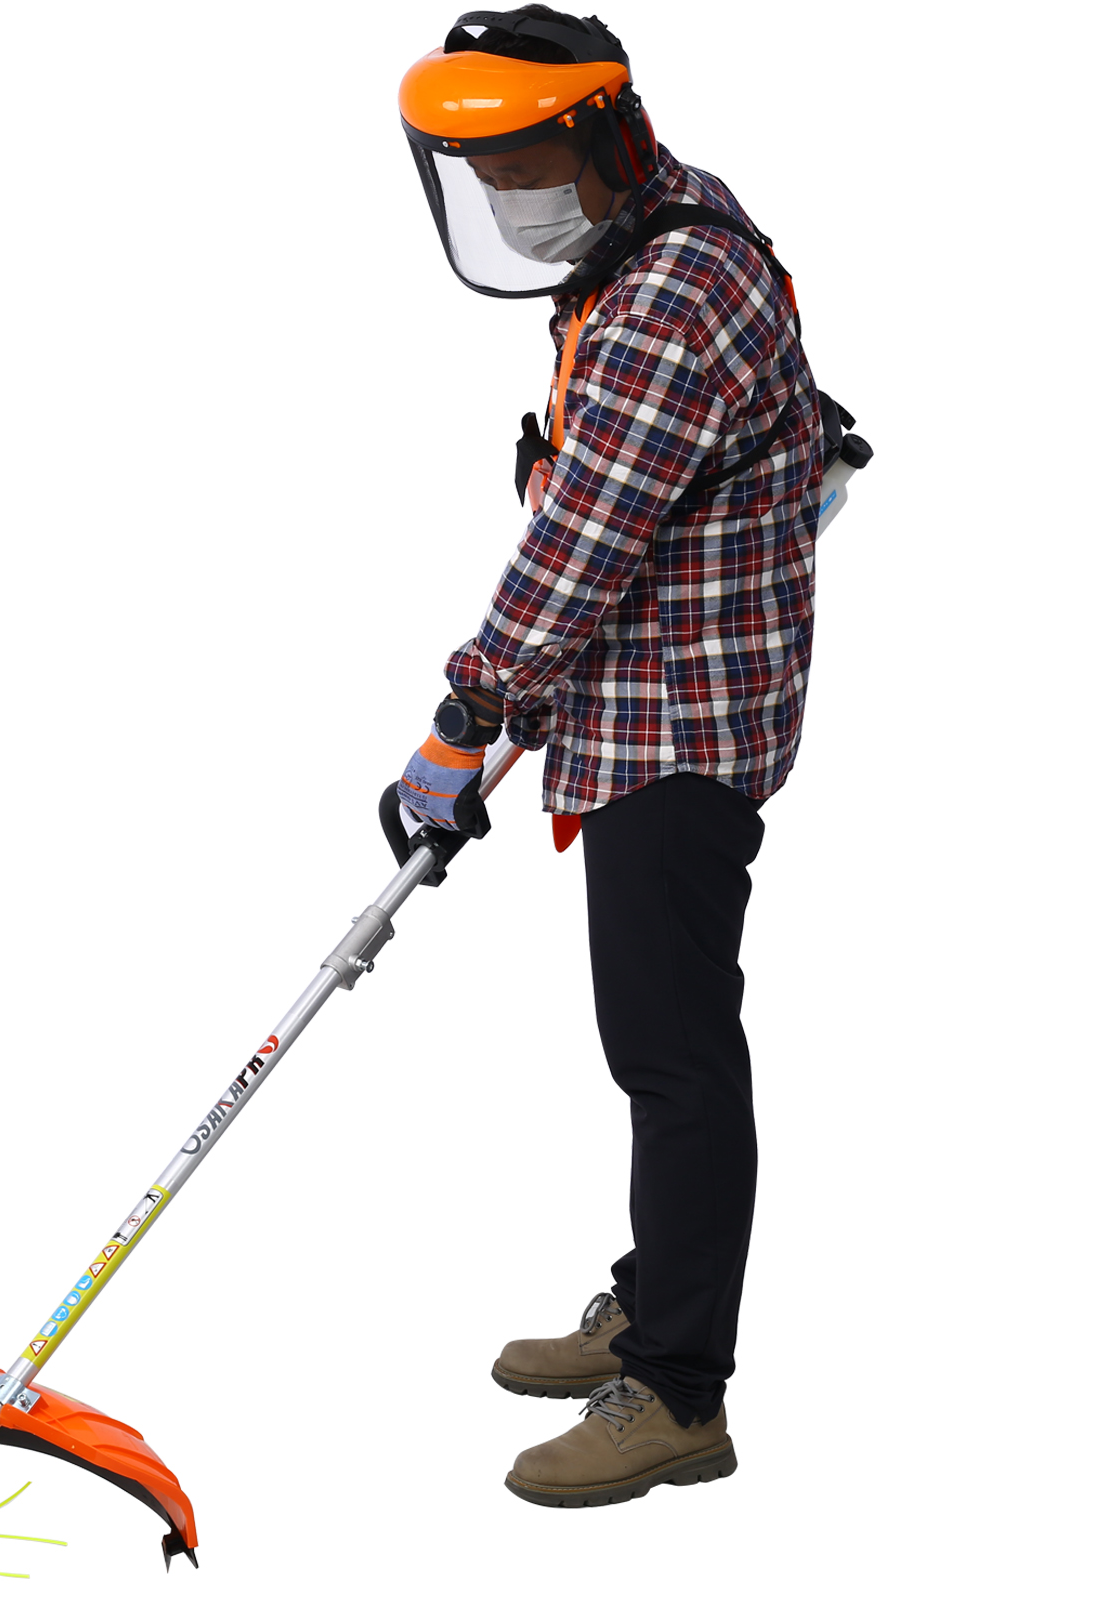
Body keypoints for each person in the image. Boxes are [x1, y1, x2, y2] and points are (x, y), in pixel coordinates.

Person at [394, 8, 821, 1508]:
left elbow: (581, 543)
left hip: (676, 724)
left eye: (526, 166)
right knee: (659, 1048)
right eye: (482, 172)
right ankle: (649, 1304)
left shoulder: (664, 296)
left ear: (604, 138)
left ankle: (680, 1390)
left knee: (673, 1058)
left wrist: (465, 722)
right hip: (649, 686)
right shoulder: (663, 218)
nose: (509, 197)